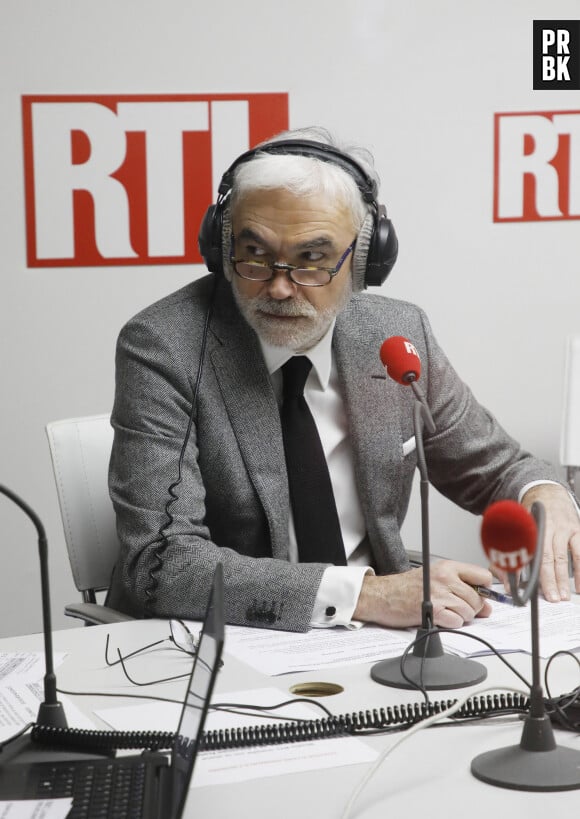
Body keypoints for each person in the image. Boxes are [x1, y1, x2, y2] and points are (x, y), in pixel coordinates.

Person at [106, 126, 580, 632]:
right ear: (221, 248)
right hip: (234, 639)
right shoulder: (165, 345)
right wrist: (365, 594)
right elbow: (160, 564)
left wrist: (543, 489)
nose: (281, 288)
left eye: (313, 259)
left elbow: (495, 467)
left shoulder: (396, 334)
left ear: (364, 261)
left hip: (377, 641)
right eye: (256, 256)